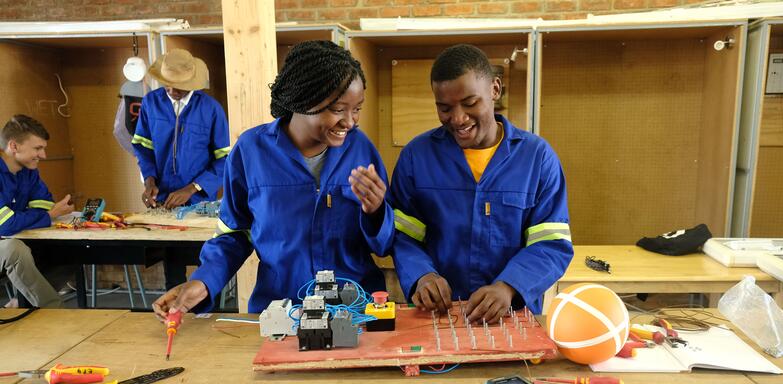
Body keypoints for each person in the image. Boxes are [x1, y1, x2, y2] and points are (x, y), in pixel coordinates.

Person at [152, 40, 394, 317]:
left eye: (357, 109)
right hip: (282, 312)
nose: (350, 122)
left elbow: (384, 244)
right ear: (302, 100)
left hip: (355, 311)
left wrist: (376, 212)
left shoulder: (361, 150)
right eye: (338, 109)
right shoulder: (251, 151)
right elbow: (234, 233)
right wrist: (204, 281)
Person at [389, 44, 573, 322]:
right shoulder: (417, 156)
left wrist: (509, 286)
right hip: (439, 316)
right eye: (444, 108)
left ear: (495, 89)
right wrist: (421, 275)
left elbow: (551, 243)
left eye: (470, 103)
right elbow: (404, 236)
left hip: (511, 316)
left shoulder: (537, 158)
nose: (458, 118)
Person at [131, 48, 231, 290]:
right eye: (167, 84)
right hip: (164, 202)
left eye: (178, 86)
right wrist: (149, 180)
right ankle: (173, 312)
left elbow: (224, 160)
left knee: (205, 264)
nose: (172, 91)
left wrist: (192, 188)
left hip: (200, 203)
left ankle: (206, 312)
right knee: (172, 265)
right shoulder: (151, 103)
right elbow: (143, 148)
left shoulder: (211, 109)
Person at [0, 115, 73, 308]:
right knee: (14, 249)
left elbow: (44, 205)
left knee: (71, 250)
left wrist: (42, 215)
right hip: (8, 242)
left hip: (17, 236)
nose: (43, 155)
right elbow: (5, 225)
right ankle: (55, 310)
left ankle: (22, 304)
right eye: (37, 148)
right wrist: (47, 217)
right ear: (14, 146)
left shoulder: (29, 171)